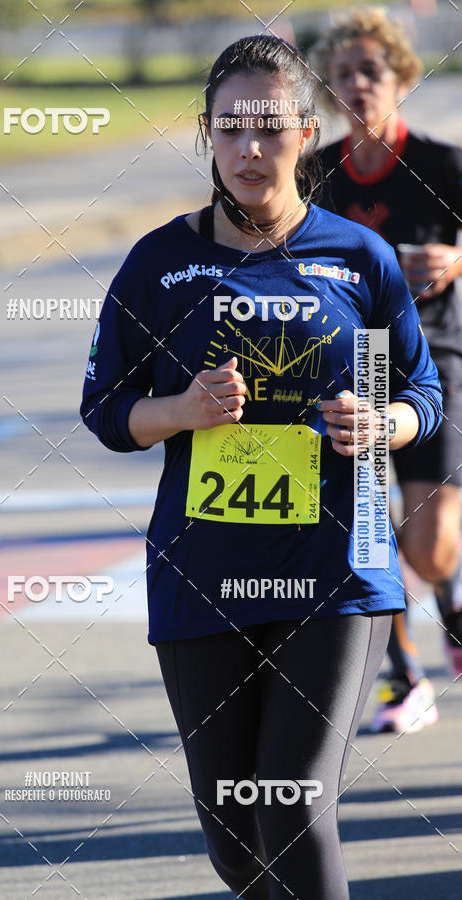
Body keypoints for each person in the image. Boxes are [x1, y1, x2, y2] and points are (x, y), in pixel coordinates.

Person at [80, 35, 442, 899]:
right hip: (203, 575)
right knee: (238, 844)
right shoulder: (160, 264)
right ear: (206, 132)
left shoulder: (358, 257)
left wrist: (382, 421)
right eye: (231, 127)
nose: (250, 148)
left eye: (271, 127)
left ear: (305, 132)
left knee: (291, 803)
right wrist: (182, 411)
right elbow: (106, 410)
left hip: (337, 571)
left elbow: (422, 392)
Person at [312, 7, 462, 735]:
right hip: (354, 368)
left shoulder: (441, 164)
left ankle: (451, 601)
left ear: (402, 77)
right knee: (368, 531)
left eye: (371, 70)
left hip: (435, 360)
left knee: (430, 549)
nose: (358, 84)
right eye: (343, 74)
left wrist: (456, 259)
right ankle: (404, 676)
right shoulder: (314, 174)